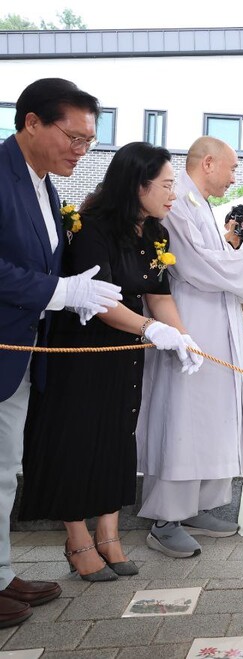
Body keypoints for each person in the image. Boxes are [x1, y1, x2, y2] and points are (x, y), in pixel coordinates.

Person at [20, 143, 203, 581]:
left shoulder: (156, 233)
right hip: (83, 348)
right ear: (137, 185)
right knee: (76, 438)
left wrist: (180, 335)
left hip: (126, 353)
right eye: (165, 184)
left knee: (118, 438)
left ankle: (109, 535)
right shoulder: (93, 228)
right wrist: (149, 329)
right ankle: (77, 539)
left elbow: (159, 294)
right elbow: (99, 301)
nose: (172, 194)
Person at [0, 78, 123, 626]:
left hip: (24, 350)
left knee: (5, 468)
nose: (81, 151)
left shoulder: (44, 183)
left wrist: (68, 295)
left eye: (89, 142)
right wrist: (60, 292)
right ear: (31, 122)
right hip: (6, 340)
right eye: (73, 138)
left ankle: (1, 573)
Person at [137, 136, 243, 559]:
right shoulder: (178, 200)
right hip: (190, 322)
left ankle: (198, 505)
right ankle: (165, 517)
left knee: (212, 414)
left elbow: (214, 263)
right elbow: (197, 266)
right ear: (209, 162)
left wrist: (240, 252)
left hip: (215, 321)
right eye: (232, 169)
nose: (234, 179)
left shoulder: (200, 203)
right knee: (185, 412)